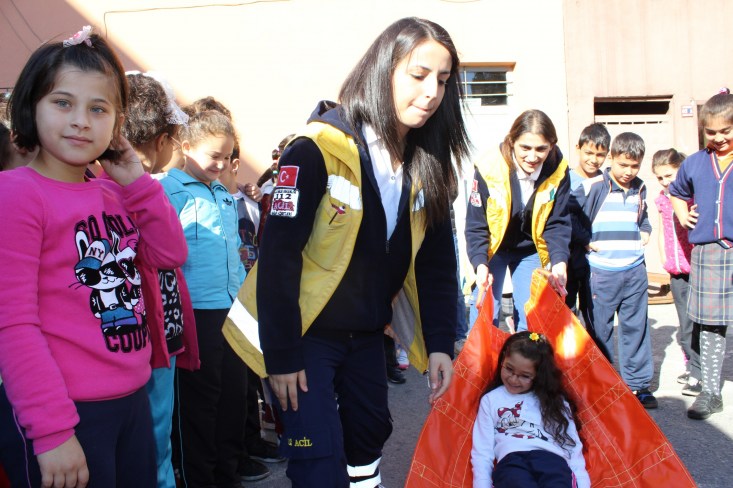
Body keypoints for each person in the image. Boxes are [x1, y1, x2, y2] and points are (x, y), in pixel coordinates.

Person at [227, 17, 470, 487]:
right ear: (383, 69)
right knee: (312, 453)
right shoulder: (315, 149)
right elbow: (278, 255)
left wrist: (440, 343)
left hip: (366, 339)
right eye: (418, 75)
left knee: (367, 440)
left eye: (443, 81)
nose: (432, 92)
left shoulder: (429, 164)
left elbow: (438, 264)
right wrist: (281, 356)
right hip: (303, 339)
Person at [0, 26, 186, 486]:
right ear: (31, 107)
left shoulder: (115, 192)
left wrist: (137, 181)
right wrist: (52, 431)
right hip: (63, 415)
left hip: (131, 402)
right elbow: (12, 322)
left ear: (117, 122)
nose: (81, 120)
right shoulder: (18, 195)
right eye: (63, 103)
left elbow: (169, 253)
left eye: (98, 108)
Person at [157, 109, 247, 487]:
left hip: (233, 311)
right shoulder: (167, 191)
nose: (222, 163)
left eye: (226, 157)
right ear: (186, 147)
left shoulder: (223, 194)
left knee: (233, 401)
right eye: (214, 155)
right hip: (196, 314)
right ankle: (199, 479)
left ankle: (227, 476)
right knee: (199, 407)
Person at [122, 71, 200, 488]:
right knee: (150, 445)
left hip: (161, 337)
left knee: (159, 441)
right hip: (136, 340)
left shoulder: (146, 187)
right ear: (161, 139)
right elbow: (171, 252)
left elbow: (172, 254)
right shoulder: (125, 188)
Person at [570, 132, 657, 409]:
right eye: (623, 165)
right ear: (612, 159)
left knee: (636, 328)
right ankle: (602, 385)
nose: (629, 172)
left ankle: (638, 385)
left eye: (634, 166)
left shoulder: (640, 188)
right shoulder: (594, 185)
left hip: (634, 271)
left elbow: (642, 218)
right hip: (601, 272)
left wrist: (645, 231)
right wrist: (585, 240)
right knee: (600, 332)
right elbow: (570, 215)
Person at [466, 110, 571, 332]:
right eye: (525, 148)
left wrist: (559, 261)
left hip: (530, 250)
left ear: (551, 145)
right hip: (493, 249)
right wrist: (480, 264)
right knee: (484, 315)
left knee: (531, 317)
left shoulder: (559, 170)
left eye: (541, 149)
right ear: (512, 142)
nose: (532, 157)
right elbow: (476, 224)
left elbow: (557, 221)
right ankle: (482, 366)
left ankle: (524, 366)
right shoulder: (488, 167)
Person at [669, 91, 733, 420]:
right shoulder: (694, 163)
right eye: (712, 131)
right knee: (710, 325)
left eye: (727, 130)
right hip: (709, 251)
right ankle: (710, 391)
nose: (719, 137)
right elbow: (677, 191)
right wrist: (682, 214)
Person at [471, 331, 590, 488]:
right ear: (502, 361)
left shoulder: (555, 401)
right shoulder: (491, 400)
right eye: (509, 369)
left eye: (524, 376)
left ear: (539, 375)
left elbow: (572, 445)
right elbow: (482, 450)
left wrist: (583, 483)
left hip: (551, 459)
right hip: (511, 461)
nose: (513, 379)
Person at [651, 148, 698, 397]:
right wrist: (664, 257)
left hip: (697, 265)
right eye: (660, 177)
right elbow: (661, 230)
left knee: (701, 320)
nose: (665, 182)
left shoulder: (693, 194)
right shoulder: (661, 199)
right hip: (676, 268)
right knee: (685, 320)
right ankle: (691, 366)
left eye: (669, 175)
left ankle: (701, 369)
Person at [566, 123, 610, 329]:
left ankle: (594, 357)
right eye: (588, 152)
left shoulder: (607, 181)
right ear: (578, 149)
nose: (593, 159)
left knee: (594, 313)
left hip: (597, 260)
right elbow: (563, 216)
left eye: (600, 154)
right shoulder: (565, 179)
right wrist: (585, 240)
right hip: (569, 257)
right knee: (566, 311)